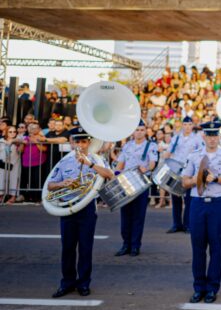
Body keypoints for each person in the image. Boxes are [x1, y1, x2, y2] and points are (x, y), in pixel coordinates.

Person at [50, 126, 115, 298]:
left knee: (86, 248)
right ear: (71, 143)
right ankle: (67, 283)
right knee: (68, 248)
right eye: (77, 141)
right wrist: (62, 184)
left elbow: (110, 175)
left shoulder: (96, 159)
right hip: (68, 207)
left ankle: (84, 283)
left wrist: (90, 164)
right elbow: (50, 184)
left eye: (84, 141)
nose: (80, 144)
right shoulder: (64, 162)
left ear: (89, 143)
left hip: (86, 208)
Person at [181, 120, 221, 304]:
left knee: (216, 247)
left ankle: (212, 288)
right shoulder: (194, 155)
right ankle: (199, 287)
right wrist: (198, 178)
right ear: (203, 136)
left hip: (216, 204)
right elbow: (184, 182)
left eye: (215, 135)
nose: (212, 139)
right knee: (197, 247)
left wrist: (216, 178)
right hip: (197, 204)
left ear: (220, 136)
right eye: (209, 135)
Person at [114, 120, 157, 257]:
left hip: (140, 182)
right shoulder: (127, 146)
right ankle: (125, 244)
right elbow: (120, 164)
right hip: (126, 183)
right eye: (137, 129)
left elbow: (152, 163)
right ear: (133, 131)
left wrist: (147, 168)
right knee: (125, 215)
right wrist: (115, 176)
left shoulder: (151, 145)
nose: (139, 132)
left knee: (138, 216)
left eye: (142, 130)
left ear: (146, 131)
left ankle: (135, 245)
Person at [160, 116, 204, 233]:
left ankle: (187, 225)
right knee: (176, 198)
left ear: (192, 126)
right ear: (182, 125)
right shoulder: (176, 138)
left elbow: (201, 153)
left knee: (189, 199)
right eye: (185, 124)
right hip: (176, 170)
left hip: (189, 171)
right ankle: (176, 224)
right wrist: (165, 155)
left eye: (189, 125)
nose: (187, 127)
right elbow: (169, 152)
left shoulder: (197, 138)